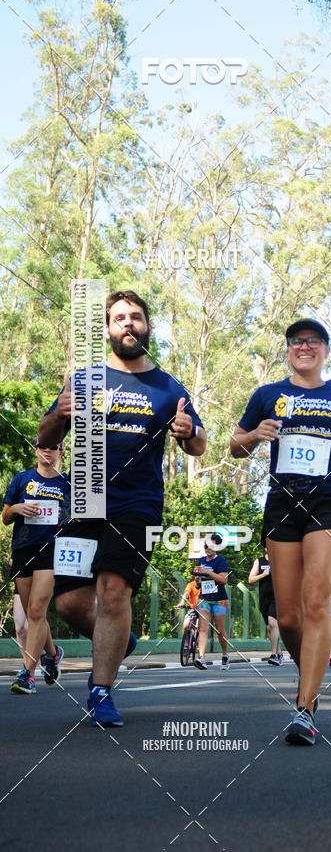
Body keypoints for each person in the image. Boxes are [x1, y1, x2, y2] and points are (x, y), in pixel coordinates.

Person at [38, 290, 206, 726]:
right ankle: (120, 639)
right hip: (86, 498)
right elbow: (46, 437)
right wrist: (59, 413)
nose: (127, 323)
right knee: (70, 604)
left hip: (138, 503)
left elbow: (199, 445)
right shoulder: (86, 379)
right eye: (118, 318)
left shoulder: (168, 387)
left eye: (135, 317)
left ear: (147, 327)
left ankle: (100, 691)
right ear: (109, 330)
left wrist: (187, 432)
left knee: (114, 591)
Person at [231, 318, 331, 745]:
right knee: (287, 616)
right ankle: (311, 679)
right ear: (287, 350)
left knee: (317, 604)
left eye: (313, 341)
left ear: (325, 351)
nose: (305, 346)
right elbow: (234, 444)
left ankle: (304, 707)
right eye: (298, 341)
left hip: (328, 502)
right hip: (282, 503)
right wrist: (255, 435)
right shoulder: (268, 395)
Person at [3, 441, 69, 694]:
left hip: (52, 550)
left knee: (37, 611)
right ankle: (52, 654)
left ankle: (27, 675)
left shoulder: (68, 483)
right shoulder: (22, 479)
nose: (47, 449)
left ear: (61, 451)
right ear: (36, 450)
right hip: (23, 549)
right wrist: (17, 508)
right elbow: (6, 516)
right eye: (42, 445)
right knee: (33, 613)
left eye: (54, 446)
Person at [193, 534, 231, 671]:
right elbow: (201, 580)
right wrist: (198, 581)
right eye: (205, 546)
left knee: (220, 631)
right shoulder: (201, 560)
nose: (207, 549)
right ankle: (201, 658)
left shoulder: (220, 561)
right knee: (203, 629)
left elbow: (223, 580)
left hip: (220, 600)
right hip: (204, 598)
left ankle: (225, 655)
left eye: (211, 546)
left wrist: (208, 573)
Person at [249, 551, 282, 665]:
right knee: (269, 628)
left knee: (273, 624)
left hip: (278, 597)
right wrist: (264, 574)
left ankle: (274, 655)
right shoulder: (259, 561)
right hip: (264, 599)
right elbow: (251, 579)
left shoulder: (281, 559)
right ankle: (279, 652)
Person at [175, 567, 204, 649]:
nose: (197, 577)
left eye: (199, 575)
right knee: (185, 625)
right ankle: (186, 645)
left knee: (202, 628)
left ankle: (199, 646)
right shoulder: (190, 584)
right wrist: (182, 602)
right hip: (193, 609)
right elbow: (186, 593)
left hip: (203, 609)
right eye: (196, 575)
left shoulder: (205, 585)